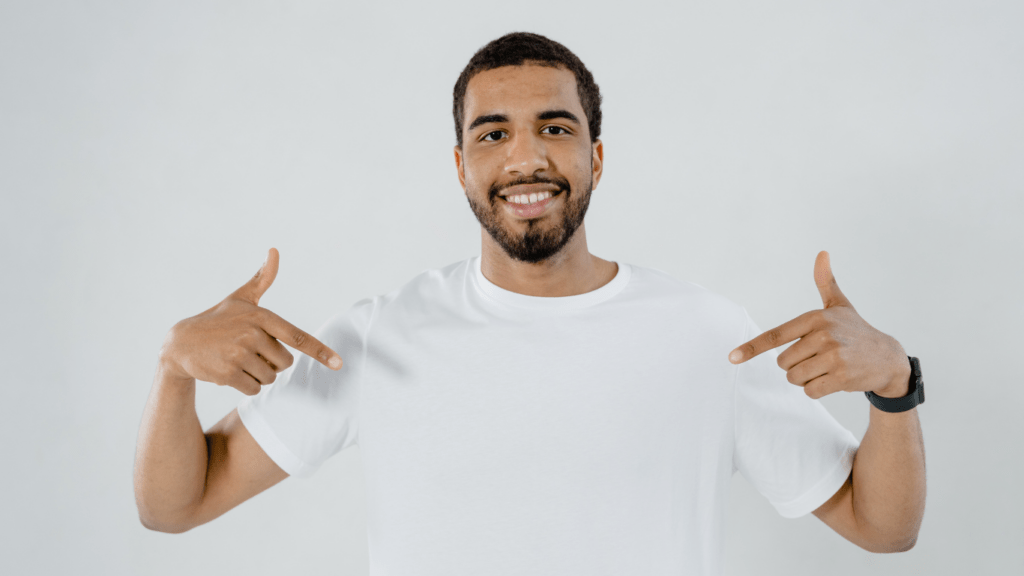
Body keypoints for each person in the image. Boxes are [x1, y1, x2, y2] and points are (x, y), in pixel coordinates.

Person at [135, 32, 925, 574]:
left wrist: (895, 386)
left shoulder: (708, 336)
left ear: (596, 156)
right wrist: (174, 369)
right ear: (458, 165)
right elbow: (177, 505)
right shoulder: (379, 338)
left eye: (554, 126)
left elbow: (881, 527)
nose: (525, 158)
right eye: (492, 134)